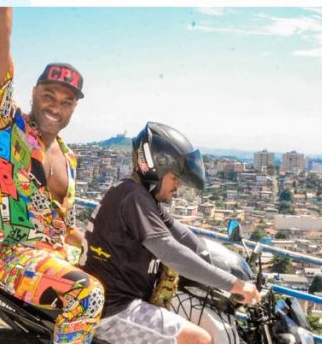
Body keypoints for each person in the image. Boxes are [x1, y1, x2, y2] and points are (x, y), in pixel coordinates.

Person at [0, 8, 103, 343]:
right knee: (89, 294)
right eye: (48, 95)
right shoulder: (4, 127)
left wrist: (98, 246)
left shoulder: (69, 157)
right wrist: (2, 1)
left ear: (74, 108)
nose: (55, 106)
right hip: (8, 253)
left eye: (66, 101)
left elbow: (61, 225)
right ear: (33, 92)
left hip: (53, 257)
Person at [81, 122, 261, 344]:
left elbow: (183, 236)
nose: (178, 185)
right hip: (113, 311)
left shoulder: (141, 196)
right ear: (156, 168)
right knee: (199, 339)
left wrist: (228, 268)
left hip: (122, 301)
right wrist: (234, 285)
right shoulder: (133, 198)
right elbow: (170, 251)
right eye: (174, 177)